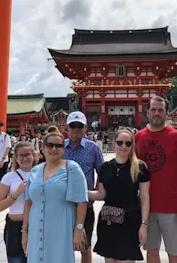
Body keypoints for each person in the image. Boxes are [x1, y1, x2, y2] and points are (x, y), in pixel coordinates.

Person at [135, 96, 177, 263]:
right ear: (147, 112)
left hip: (173, 206)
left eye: (160, 110)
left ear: (167, 113)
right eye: (153, 109)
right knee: (151, 251)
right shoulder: (139, 137)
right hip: (147, 207)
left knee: (174, 254)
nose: (156, 113)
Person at [21, 129, 88, 263]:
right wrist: (24, 231)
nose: (54, 149)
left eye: (58, 145)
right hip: (36, 225)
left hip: (61, 224)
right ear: (43, 148)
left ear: (63, 149)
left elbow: (82, 201)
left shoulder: (72, 168)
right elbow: (28, 202)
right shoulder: (35, 171)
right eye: (50, 145)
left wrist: (78, 229)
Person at [90, 128, 150, 262]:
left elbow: (145, 198)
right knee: (109, 260)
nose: (124, 146)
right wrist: (80, 193)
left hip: (130, 220)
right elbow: (101, 194)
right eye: (120, 142)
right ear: (114, 143)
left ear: (132, 145)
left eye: (128, 143)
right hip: (108, 220)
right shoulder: (105, 167)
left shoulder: (140, 167)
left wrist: (144, 224)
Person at [63, 111, 104, 263]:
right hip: (63, 204)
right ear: (67, 127)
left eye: (79, 126)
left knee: (85, 247)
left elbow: (102, 172)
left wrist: (95, 192)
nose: (75, 129)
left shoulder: (92, 148)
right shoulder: (60, 147)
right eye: (72, 125)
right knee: (63, 245)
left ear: (85, 127)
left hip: (85, 204)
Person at [0, 141, 37, 263]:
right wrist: (17, 192)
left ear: (34, 155)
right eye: (21, 155)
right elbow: (0, 206)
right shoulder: (8, 177)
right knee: (16, 259)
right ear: (16, 157)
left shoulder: (41, 174)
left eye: (28, 154)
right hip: (15, 226)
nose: (25, 158)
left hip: (36, 225)